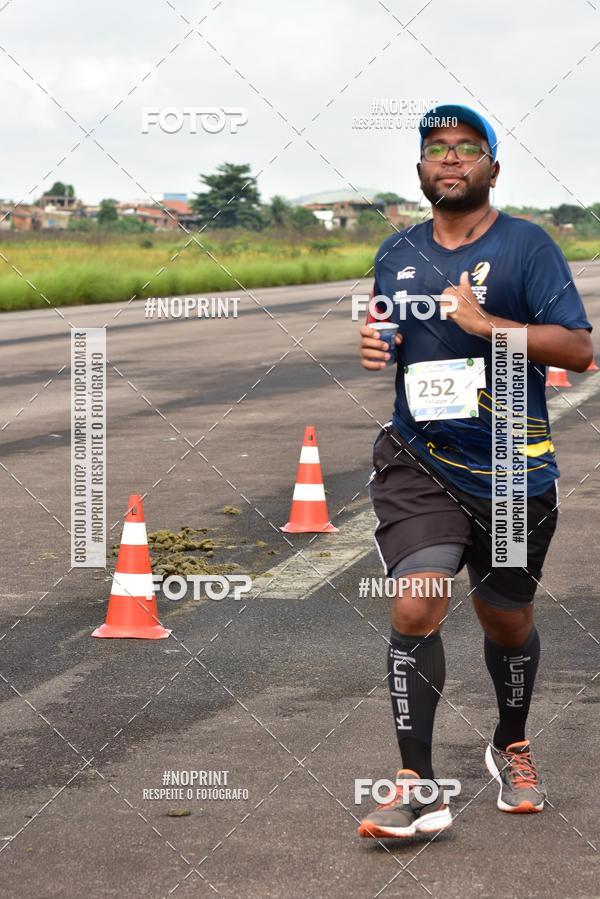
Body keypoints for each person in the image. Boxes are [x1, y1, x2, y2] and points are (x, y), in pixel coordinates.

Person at [357, 103, 593, 839]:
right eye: (437, 148)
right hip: (418, 459)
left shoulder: (529, 247)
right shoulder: (395, 253)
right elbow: (394, 334)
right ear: (420, 168)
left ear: (492, 165)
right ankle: (417, 782)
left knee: (506, 617)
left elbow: (579, 351)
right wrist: (377, 345)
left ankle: (510, 743)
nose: (450, 158)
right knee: (416, 603)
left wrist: (491, 327)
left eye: (467, 147)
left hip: (513, 471)